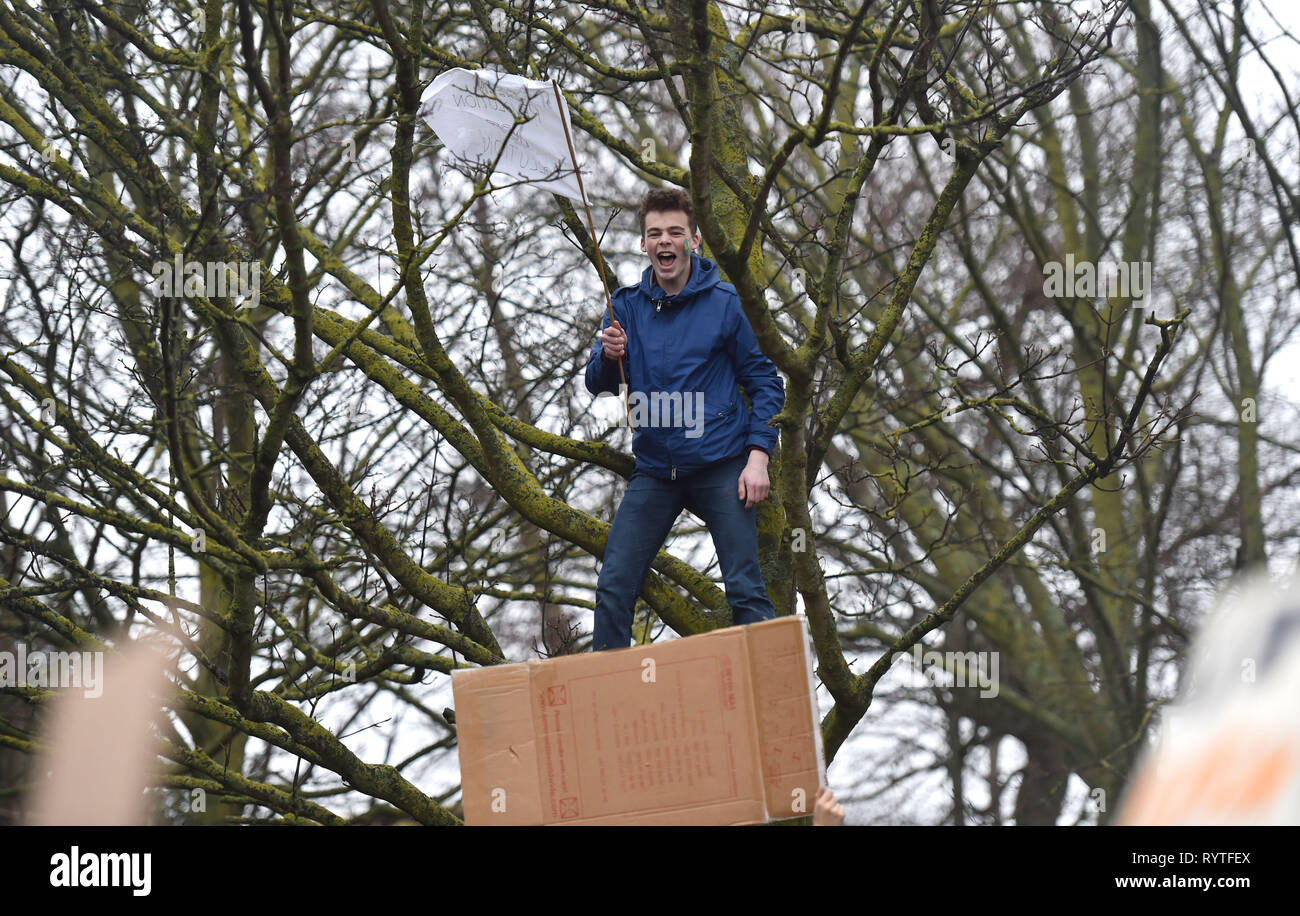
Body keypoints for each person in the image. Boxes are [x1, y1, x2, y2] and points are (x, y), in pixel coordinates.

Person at [584, 188, 785, 651]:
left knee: (746, 592)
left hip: (721, 465)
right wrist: (607, 356)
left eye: (675, 232)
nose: (664, 241)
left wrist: (758, 459)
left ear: (694, 240)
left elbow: (766, 384)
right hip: (656, 471)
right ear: (643, 244)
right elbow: (600, 383)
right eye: (654, 233)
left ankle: (773, 702)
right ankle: (607, 701)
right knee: (613, 587)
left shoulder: (726, 302)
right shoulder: (626, 306)